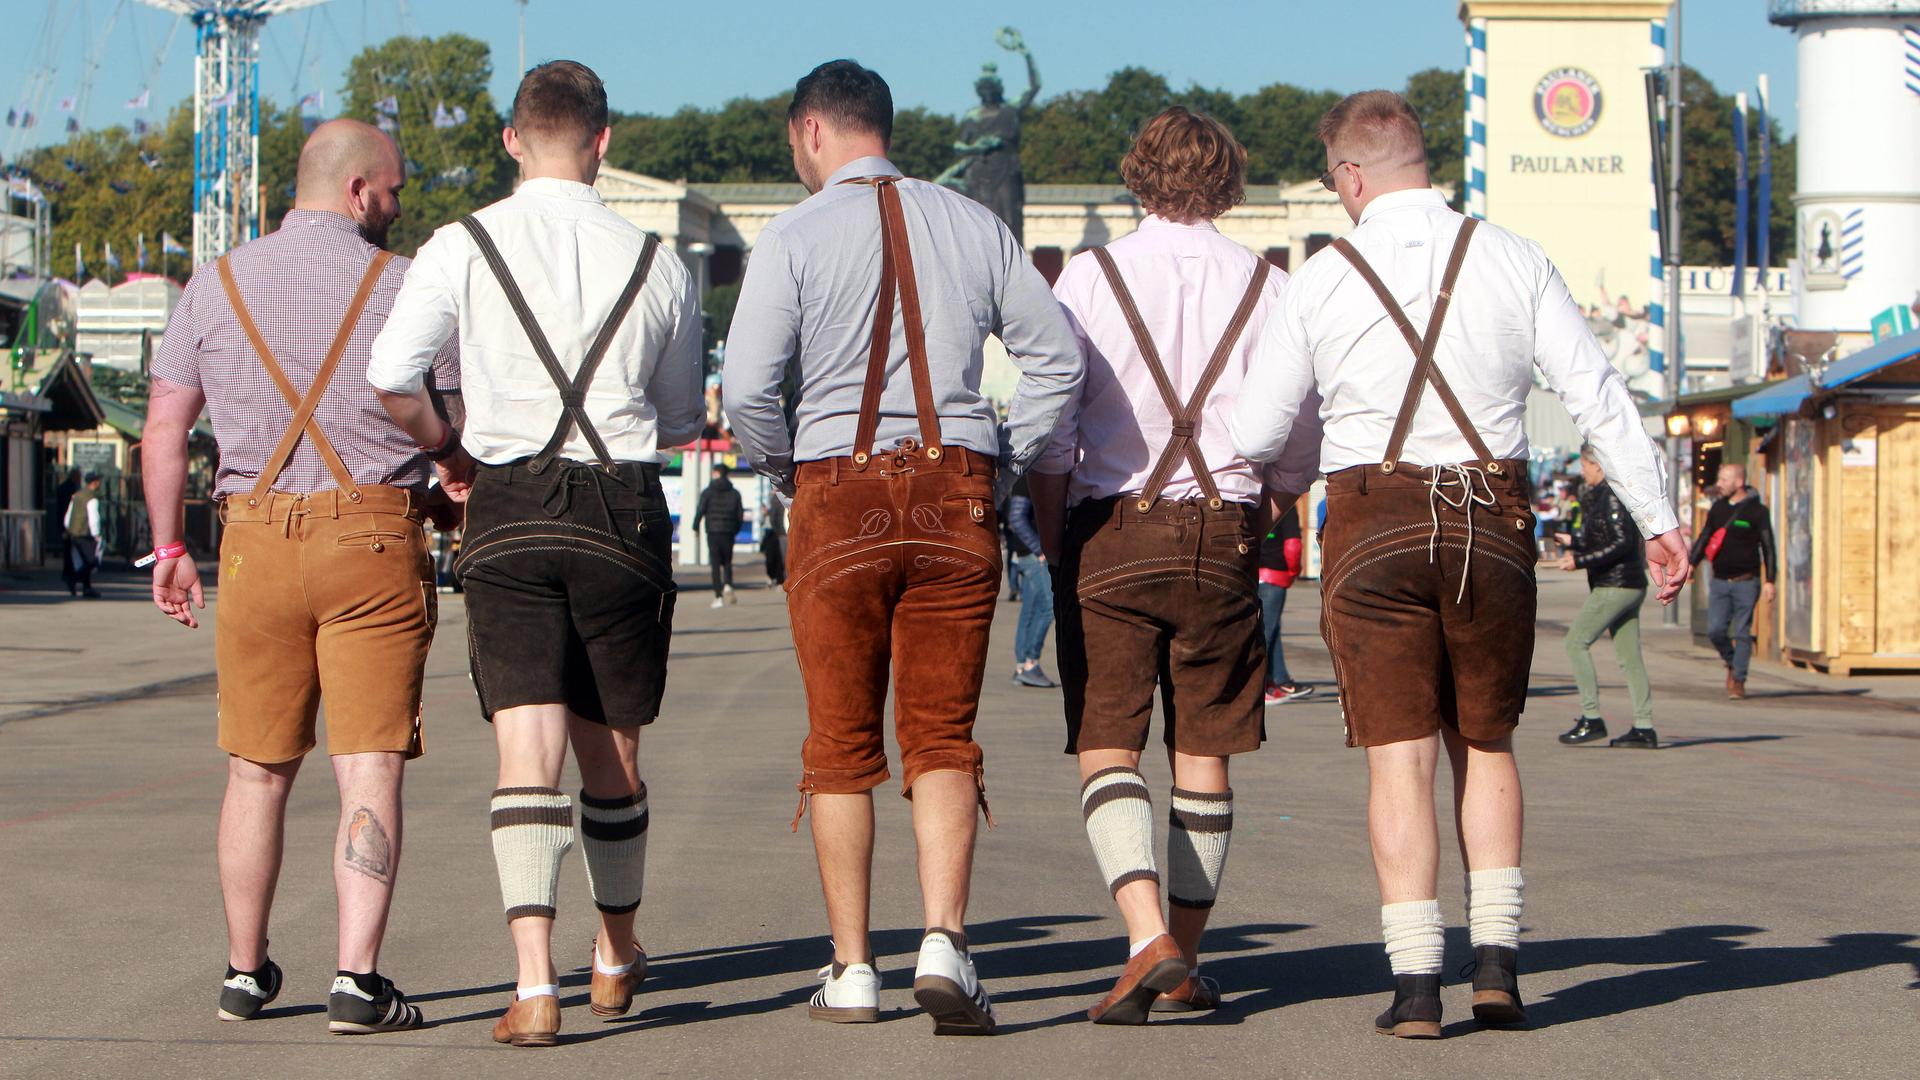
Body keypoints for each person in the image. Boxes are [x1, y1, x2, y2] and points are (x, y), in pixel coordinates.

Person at [1228, 90, 1690, 1038]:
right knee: (1485, 741)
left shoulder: (1320, 277)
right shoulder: (1512, 256)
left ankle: (1413, 986)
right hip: (1492, 516)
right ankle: (1498, 967)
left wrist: (1278, 478)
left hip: (1374, 517)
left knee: (1397, 758)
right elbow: (1596, 392)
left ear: (1352, 174)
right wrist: (1659, 517)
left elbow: (1258, 429)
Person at [723, 59, 1081, 1036]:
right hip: (952, 485)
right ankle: (944, 942)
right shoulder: (973, 223)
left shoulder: (792, 233)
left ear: (810, 134)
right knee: (942, 733)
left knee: (840, 744)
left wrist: (791, 470)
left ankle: (850, 967)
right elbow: (1057, 359)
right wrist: (1002, 460)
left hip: (838, 488)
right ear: (886, 129)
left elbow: (750, 390)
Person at [368, 60, 704, 1048]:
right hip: (622, 504)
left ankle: (533, 984)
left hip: (509, 498)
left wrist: (449, 449)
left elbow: (392, 376)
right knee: (615, 749)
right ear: (605, 141)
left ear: (512, 140)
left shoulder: (462, 243)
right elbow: (682, 416)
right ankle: (613, 952)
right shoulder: (658, 259)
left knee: (526, 749)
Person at [144, 118, 454, 1035]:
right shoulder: (403, 284)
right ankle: (357, 981)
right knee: (369, 770)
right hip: (372, 540)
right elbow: (447, 421)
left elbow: (164, 429)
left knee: (256, 771)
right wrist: (447, 492)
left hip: (252, 544)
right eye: (393, 191)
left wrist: (168, 550)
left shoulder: (216, 283)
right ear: (359, 190)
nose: (398, 207)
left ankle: (245, 971)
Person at [1030, 106, 1296, 1024]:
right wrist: (1279, 492)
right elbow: (1293, 427)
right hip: (1224, 525)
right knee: (1205, 746)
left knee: (1107, 737)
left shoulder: (1089, 277)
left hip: (1112, 521)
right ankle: (1184, 956)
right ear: (1228, 180)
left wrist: (1055, 527)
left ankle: (1145, 933)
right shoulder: (1268, 285)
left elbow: (1056, 427)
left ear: (1140, 174)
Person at [1555, 446, 1656, 748]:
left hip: (1616, 584)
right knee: (1629, 657)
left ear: (1598, 465)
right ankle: (1644, 725)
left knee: (1575, 642)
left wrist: (1579, 560)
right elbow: (1607, 536)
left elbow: (1622, 543)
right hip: (1627, 583)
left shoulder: (1611, 495)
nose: (1583, 472)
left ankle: (1591, 717)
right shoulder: (1603, 495)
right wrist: (1576, 541)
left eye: (1585, 465)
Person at [1689, 462, 1777, 700]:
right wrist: (1690, 565)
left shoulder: (1757, 512)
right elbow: (1705, 537)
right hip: (1719, 581)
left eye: (1724, 480)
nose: (1719, 484)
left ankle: (1738, 679)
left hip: (1746, 582)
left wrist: (1770, 580)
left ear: (1739, 482)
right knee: (1715, 630)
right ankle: (1732, 662)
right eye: (1719, 479)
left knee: (1742, 632)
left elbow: (1769, 547)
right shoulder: (1717, 508)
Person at [1003, 474, 1056, 688]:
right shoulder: (1028, 478)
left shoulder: (1022, 477)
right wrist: (1039, 549)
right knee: (1048, 606)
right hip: (1035, 556)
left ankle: (1022, 665)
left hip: (1027, 554)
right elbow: (1016, 518)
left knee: (1031, 609)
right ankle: (1030, 664)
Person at [1260, 504, 1315, 705]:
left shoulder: (1254, 500)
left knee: (1270, 629)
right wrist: (1293, 572)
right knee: (1265, 633)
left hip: (1251, 574)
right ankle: (1262, 686)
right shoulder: (1287, 507)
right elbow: (1293, 545)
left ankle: (1280, 680)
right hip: (1274, 575)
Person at [691, 462, 744, 607]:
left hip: (713, 531)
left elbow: (700, 509)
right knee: (727, 561)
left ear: (716, 473)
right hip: (729, 532)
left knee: (715, 563)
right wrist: (735, 529)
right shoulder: (735, 493)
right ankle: (728, 584)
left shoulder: (708, 491)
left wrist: (695, 527)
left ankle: (718, 596)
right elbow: (740, 515)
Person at [65, 471, 104, 598]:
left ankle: (86, 587)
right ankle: (74, 579)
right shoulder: (91, 498)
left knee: (82, 560)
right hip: (86, 534)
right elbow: (94, 518)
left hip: (74, 533)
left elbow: (68, 515)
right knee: (92, 561)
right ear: (95, 482)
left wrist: (68, 527)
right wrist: (96, 534)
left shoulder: (77, 495)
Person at [54, 466, 80, 595]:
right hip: (70, 526)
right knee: (71, 553)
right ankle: (70, 575)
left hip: (66, 525)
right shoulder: (71, 490)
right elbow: (64, 510)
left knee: (68, 551)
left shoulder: (68, 488)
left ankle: (68, 574)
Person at [761, 493, 787, 586]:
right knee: (777, 558)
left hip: (779, 532)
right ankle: (777, 578)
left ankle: (781, 579)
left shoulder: (775, 499)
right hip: (775, 533)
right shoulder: (774, 499)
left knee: (781, 557)